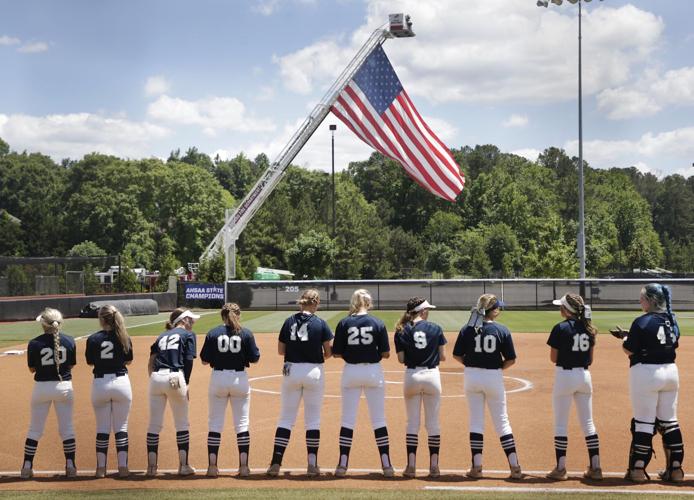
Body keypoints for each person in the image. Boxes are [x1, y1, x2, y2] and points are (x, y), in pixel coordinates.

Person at [612, 283, 685, 483]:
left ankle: (637, 469)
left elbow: (629, 350)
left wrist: (626, 338)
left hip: (646, 373)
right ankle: (676, 470)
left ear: (651, 300)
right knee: (670, 421)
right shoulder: (670, 320)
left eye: (642, 298)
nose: (640, 301)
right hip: (671, 372)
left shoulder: (641, 322)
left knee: (643, 422)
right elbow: (670, 341)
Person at [452, 294, 522, 480]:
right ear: (494, 310)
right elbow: (511, 359)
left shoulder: (467, 329)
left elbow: (457, 355)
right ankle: (515, 467)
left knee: (476, 422)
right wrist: (499, 367)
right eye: (498, 307)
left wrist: (471, 362)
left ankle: (477, 467)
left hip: (472, 376)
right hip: (493, 377)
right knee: (502, 422)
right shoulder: (502, 330)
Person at [267, 289, 333, 477]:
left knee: (286, 419)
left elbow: (281, 350)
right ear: (316, 303)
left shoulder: (289, 321)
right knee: (313, 419)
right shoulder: (321, 323)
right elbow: (328, 352)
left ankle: (275, 464)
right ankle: (312, 465)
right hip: (313, 371)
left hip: (291, 371)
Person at [332, 289, 394, 478]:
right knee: (379, 419)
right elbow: (386, 353)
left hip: (351, 370)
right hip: (373, 371)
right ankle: (387, 465)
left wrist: (353, 354)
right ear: (368, 303)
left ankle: (342, 465)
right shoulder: (377, 322)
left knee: (347, 419)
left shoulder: (344, 322)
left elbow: (336, 352)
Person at [545, 294, 602, 481]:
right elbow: (592, 360)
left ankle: (560, 469)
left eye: (561, 306)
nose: (559, 309)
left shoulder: (560, 328)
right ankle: (596, 468)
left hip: (564, 376)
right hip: (585, 376)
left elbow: (554, 358)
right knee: (588, 423)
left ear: (566, 310)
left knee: (561, 423)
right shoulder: (589, 329)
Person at [200, 303, 260, 478]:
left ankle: (212, 467)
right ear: (238, 315)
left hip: (218, 378)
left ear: (222, 315)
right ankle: (243, 467)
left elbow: (204, 360)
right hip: (239, 378)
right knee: (242, 424)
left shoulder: (213, 333)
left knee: (215, 424)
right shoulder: (246, 333)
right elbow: (255, 359)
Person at [21, 308, 77, 479]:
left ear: (43, 324)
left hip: (42, 388)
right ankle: (71, 466)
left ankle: (26, 466)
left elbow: (32, 369)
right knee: (66, 429)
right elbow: (71, 365)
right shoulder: (69, 341)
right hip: (64, 386)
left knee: (35, 429)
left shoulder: (34, 343)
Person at [394, 297, 446, 478]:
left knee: (412, 423)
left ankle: (411, 467)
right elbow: (442, 356)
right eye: (427, 309)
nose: (428, 311)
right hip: (432, 376)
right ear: (422, 311)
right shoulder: (436, 328)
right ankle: (434, 467)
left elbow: (401, 359)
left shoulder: (401, 330)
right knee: (433, 424)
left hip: (412, 376)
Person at [146, 307, 199, 477]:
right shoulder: (188, 335)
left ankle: (151, 468)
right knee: (182, 423)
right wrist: (187, 383)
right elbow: (188, 361)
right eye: (190, 319)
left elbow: (151, 362)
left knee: (154, 424)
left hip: (156, 377)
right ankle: (183, 466)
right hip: (175, 377)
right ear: (182, 320)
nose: (192, 322)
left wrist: (154, 380)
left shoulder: (161, 335)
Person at [85, 305, 133, 478]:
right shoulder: (124, 336)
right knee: (121, 427)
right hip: (121, 382)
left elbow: (90, 362)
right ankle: (123, 467)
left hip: (100, 383)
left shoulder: (93, 339)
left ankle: (100, 469)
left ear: (102, 319)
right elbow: (128, 361)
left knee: (102, 428)